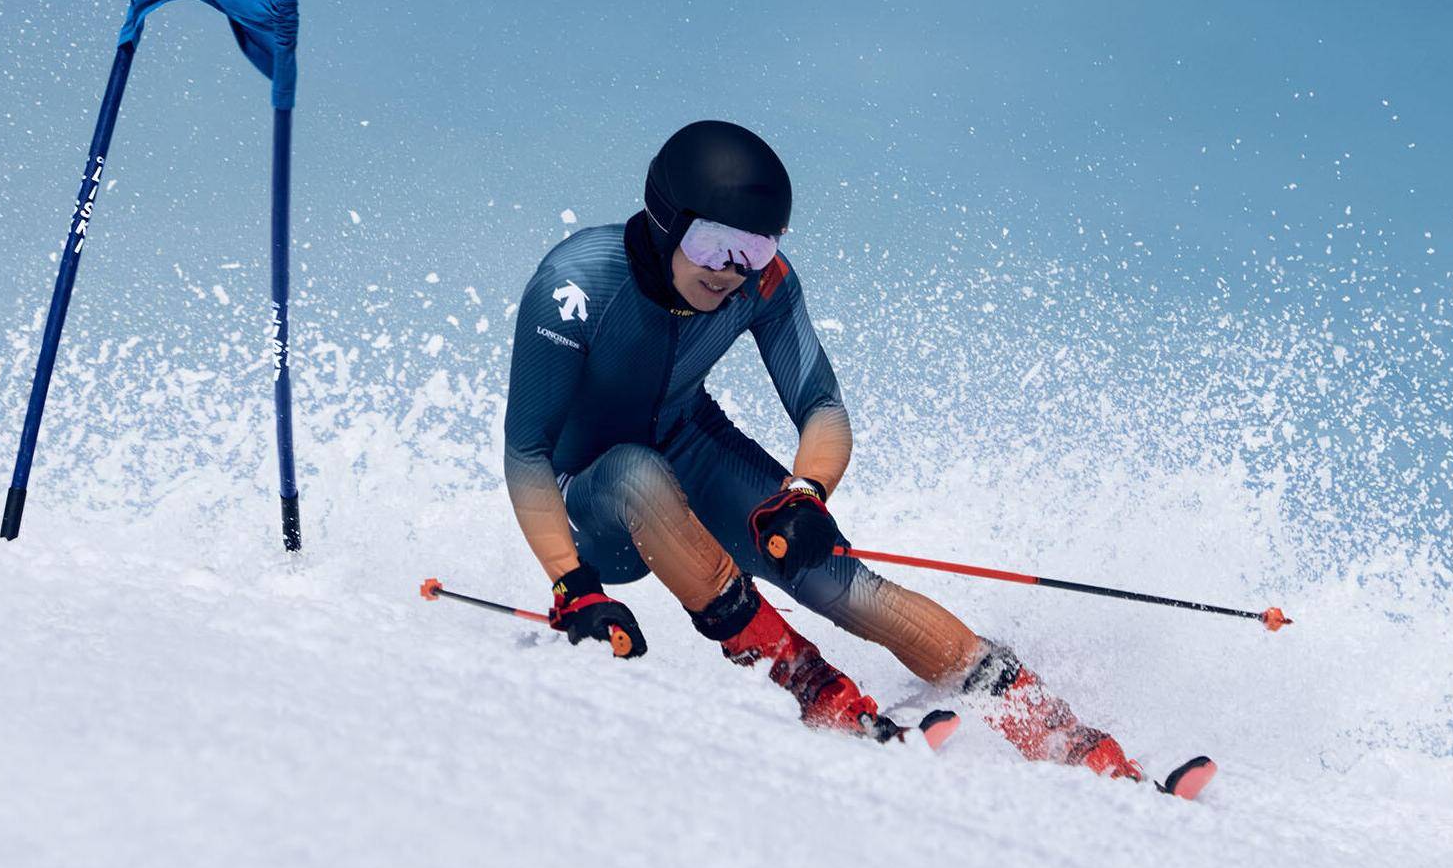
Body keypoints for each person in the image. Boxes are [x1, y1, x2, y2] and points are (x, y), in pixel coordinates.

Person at [502, 119, 1193, 789]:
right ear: (664, 222)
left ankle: (1059, 734)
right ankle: (815, 687)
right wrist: (571, 581)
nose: (732, 272)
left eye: (756, 249)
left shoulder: (761, 286)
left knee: (836, 577)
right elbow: (526, 448)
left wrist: (806, 494)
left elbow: (821, 406)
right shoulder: (575, 285)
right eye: (714, 245)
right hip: (587, 498)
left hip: (692, 447)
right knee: (635, 471)